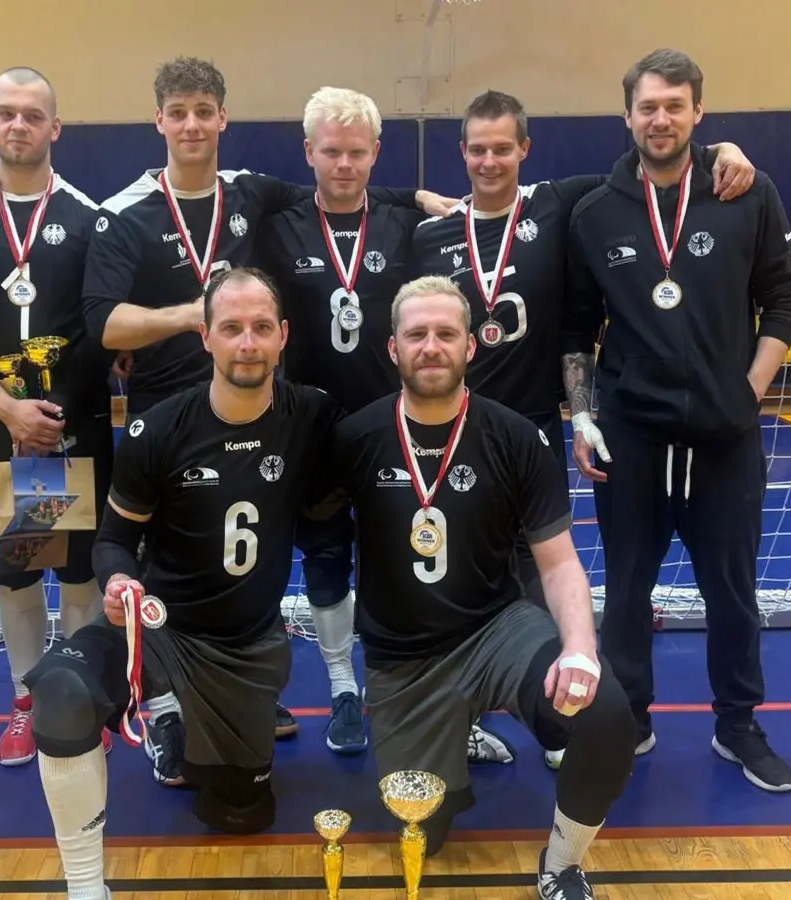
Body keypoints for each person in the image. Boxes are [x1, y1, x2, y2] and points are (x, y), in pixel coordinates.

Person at [80, 56, 452, 784]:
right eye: (178, 112)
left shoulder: (255, 195)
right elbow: (102, 324)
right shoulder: (127, 214)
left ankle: (273, 686)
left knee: (273, 554)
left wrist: (417, 196)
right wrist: (195, 315)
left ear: (224, 118)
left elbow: (349, 189)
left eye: (204, 111)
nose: (192, 124)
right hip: (171, 415)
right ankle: (162, 713)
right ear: (159, 120)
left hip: (277, 413)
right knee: (172, 565)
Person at [412, 89, 756, 769]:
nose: (489, 160)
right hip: (449, 433)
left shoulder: (560, 203)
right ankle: (459, 718)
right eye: (477, 149)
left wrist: (726, 151)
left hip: (533, 428)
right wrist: (414, 199)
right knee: (451, 583)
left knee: (539, 585)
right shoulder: (429, 235)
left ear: (524, 150)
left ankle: (550, 717)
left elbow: (658, 155)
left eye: (502, 147)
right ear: (462, 154)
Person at [312, 275, 636, 900]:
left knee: (606, 715)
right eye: (416, 334)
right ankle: (454, 728)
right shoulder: (353, 440)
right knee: (424, 829)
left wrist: (579, 649)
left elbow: (559, 560)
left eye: (445, 334)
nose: (430, 346)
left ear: (470, 347)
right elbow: (307, 534)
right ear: (392, 349)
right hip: (402, 657)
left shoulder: (516, 436)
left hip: (496, 629)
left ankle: (562, 863)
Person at [23, 268, 341, 900]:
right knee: (60, 690)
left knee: (241, 816)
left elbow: (336, 515)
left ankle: (178, 723)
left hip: (245, 649)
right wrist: (116, 582)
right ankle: (86, 886)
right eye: (230, 328)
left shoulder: (313, 415)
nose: (246, 343)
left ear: (282, 337)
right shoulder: (158, 430)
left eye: (259, 329)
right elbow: (114, 540)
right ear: (205, 338)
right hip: (160, 630)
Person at [561, 49, 791, 793]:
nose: (660, 118)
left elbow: (785, 299)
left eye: (675, 105)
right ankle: (629, 720)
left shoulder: (746, 190)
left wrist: (748, 391)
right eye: (647, 106)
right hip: (632, 435)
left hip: (725, 439)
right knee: (627, 591)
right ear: (627, 115)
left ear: (699, 111)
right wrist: (581, 416)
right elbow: (576, 329)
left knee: (732, 592)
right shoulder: (594, 211)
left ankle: (738, 726)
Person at [0, 67, 116, 767]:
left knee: (78, 573)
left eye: (34, 115)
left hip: (71, 425)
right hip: (0, 426)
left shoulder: (91, 220)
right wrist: (10, 409)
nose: (19, 125)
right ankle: (28, 700)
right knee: (16, 571)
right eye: (7, 113)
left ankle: (79, 690)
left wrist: (52, 415)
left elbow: (103, 331)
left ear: (55, 128)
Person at [257, 86, 433, 755]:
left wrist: (420, 198)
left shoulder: (404, 224)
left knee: (398, 560)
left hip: (391, 429)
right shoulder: (278, 227)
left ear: (375, 153)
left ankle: (400, 683)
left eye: (357, 152)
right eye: (331, 151)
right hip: (306, 433)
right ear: (309, 152)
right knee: (324, 561)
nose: (344, 164)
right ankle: (341, 688)